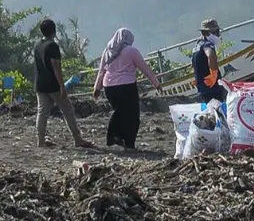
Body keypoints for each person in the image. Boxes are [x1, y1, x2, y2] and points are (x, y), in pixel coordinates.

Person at [91, 28, 162, 151]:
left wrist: (97, 88)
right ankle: (125, 140)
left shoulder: (108, 51)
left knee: (119, 111)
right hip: (126, 86)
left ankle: (118, 138)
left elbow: (101, 70)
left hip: (109, 88)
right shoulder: (131, 51)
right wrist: (156, 84)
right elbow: (145, 69)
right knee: (132, 115)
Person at [34, 18, 93, 150]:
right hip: (53, 85)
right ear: (54, 31)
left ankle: (40, 141)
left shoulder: (37, 44)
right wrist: (62, 86)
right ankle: (77, 139)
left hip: (40, 85)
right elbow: (56, 68)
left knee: (42, 112)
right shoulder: (53, 46)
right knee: (68, 110)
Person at [191, 19, 226, 105]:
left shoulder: (197, 47)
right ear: (205, 33)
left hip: (203, 90)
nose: (218, 35)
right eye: (215, 32)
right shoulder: (207, 44)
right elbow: (210, 55)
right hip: (212, 89)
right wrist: (214, 74)